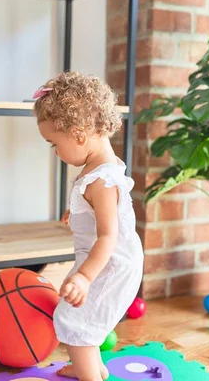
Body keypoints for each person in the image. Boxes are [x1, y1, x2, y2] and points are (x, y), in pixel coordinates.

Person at [32, 71, 144, 381]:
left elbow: (108, 235)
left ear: (79, 135)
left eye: (54, 144)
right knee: (84, 319)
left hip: (108, 264)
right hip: (105, 262)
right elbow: (99, 210)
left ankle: (90, 375)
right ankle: (94, 368)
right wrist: (78, 210)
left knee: (75, 321)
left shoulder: (101, 181)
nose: (56, 152)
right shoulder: (101, 170)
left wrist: (84, 277)